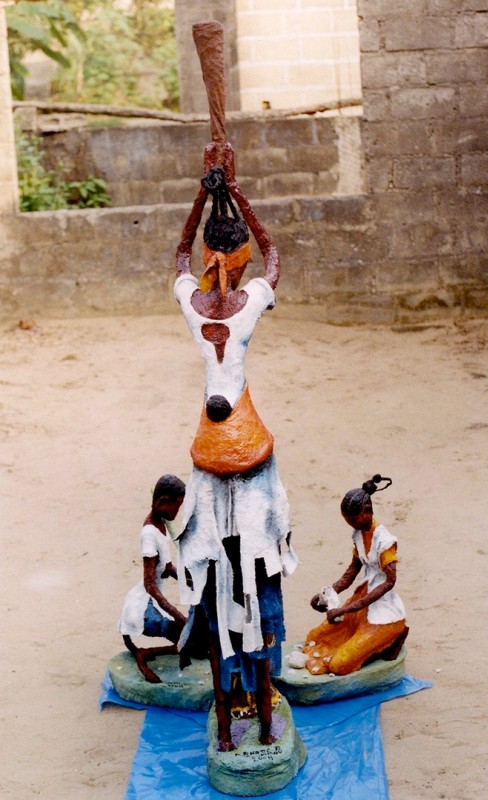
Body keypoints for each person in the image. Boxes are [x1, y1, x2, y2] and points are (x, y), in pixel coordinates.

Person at [174, 141, 298, 750]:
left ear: (206, 258)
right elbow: (274, 253)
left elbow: (175, 254)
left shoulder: (195, 306)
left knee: (218, 573)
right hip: (248, 449)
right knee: (258, 568)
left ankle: (228, 728)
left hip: (207, 450)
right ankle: (263, 712)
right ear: (240, 259)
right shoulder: (248, 304)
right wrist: (235, 193)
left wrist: (206, 189)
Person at [303, 474, 408, 676]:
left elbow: (389, 582)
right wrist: (327, 593)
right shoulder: (359, 533)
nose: (351, 525)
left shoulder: (384, 541)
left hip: (383, 613)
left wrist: (349, 608)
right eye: (348, 521)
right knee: (316, 637)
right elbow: (351, 571)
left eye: (353, 519)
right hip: (361, 601)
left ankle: (392, 635)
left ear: (367, 511)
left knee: (339, 664)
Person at [118, 474, 187, 683]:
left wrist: (188, 580)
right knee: (187, 639)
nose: (177, 511)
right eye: (177, 506)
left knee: (191, 638)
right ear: (163, 503)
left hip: (151, 601)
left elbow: (166, 567)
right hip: (142, 609)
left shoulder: (161, 525)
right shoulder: (149, 533)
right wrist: (176, 614)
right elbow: (150, 585)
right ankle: (143, 654)